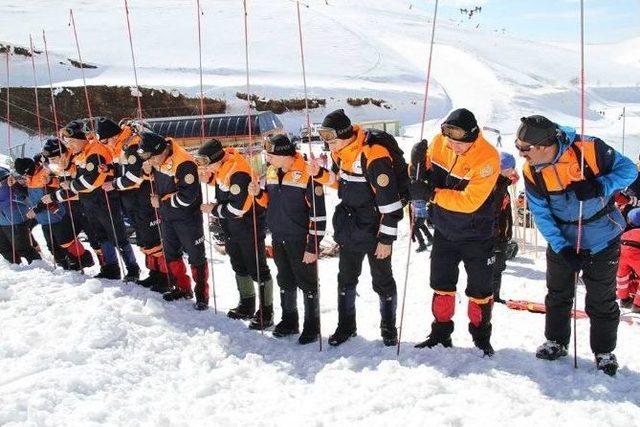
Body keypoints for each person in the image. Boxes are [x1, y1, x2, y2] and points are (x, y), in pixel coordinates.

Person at [517, 114, 637, 376]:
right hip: (564, 240)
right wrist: (562, 247)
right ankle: (556, 342)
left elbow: (630, 170)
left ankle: (604, 351)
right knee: (558, 294)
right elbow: (541, 213)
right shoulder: (531, 172)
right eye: (518, 147)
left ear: (545, 146)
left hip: (602, 238)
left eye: (525, 149)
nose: (521, 154)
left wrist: (599, 185)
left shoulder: (591, 149)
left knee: (602, 299)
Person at [310, 109, 404, 346]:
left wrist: (386, 240)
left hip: (375, 230)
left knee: (382, 280)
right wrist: (320, 174)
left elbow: (390, 202)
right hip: (350, 227)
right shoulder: (341, 152)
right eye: (326, 141)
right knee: (346, 278)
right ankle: (346, 326)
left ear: (346, 134)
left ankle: (389, 326)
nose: (329, 145)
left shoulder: (374, 154)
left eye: (332, 140)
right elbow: (341, 184)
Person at [410, 108, 500, 356]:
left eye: (460, 144)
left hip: (477, 235)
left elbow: (469, 201)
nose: (453, 147)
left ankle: (481, 339)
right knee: (441, 285)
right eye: (450, 141)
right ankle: (440, 335)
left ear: (473, 137)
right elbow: (425, 176)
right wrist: (418, 164)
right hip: (444, 231)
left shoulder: (488, 158)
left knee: (480, 291)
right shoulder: (441, 142)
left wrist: (431, 195)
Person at [41, 119, 140, 281]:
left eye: (72, 141)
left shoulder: (95, 152)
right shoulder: (80, 154)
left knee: (117, 236)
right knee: (102, 236)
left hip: (104, 200)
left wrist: (70, 186)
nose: (69, 146)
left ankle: (132, 269)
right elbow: (69, 173)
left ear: (81, 139)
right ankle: (111, 267)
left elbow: (90, 181)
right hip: (89, 202)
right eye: (67, 142)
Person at [252, 134, 326, 344]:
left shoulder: (308, 174)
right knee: (284, 280)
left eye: (270, 155)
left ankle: (312, 326)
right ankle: (289, 321)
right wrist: (258, 194)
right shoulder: (272, 171)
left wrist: (313, 246)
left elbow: (318, 215)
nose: (267, 159)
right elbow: (270, 202)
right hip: (279, 236)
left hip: (301, 240)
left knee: (307, 283)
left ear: (284, 154)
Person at [197, 138, 273, 328]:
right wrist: (209, 178)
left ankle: (266, 311)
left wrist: (213, 209)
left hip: (248, 226)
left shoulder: (238, 172)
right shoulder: (224, 168)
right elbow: (224, 184)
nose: (206, 167)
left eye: (207, 163)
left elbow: (237, 208)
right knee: (239, 265)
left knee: (257, 268)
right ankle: (246, 304)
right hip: (231, 228)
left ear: (216, 159)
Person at [138, 131, 209, 310]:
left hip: (187, 218)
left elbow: (188, 196)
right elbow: (151, 175)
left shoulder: (184, 162)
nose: (151, 162)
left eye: (152, 158)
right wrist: (146, 172)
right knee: (171, 254)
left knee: (196, 256)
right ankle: (182, 287)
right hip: (167, 217)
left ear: (161, 151)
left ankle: (202, 294)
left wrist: (160, 203)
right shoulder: (158, 159)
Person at [100, 119, 169, 293]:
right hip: (132, 202)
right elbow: (122, 170)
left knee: (154, 239)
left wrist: (114, 184)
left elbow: (135, 177)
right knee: (145, 240)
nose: (106, 144)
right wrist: (109, 169)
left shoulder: (133, 147)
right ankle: (154, 273)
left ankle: (165, 276)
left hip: (142, 200)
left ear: (114, 135)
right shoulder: (122, 148)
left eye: (106, 140)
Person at [12, 156, 94, 270]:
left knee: (66, 243)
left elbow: (50, 197)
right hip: (44, 219)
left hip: (56, 216)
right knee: (52, 246)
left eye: (24, 174)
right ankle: (65, 265)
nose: (24, 177)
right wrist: (15, 185)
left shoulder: (44, 174)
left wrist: (35, 210)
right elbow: (30, 196)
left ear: (28, 169)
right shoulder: (31, 179)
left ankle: (82, 260)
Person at [0, 166, 41, 264]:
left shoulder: (3, 174)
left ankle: (40, 267)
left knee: (22, 248)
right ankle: (17, 267)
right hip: (4, 219)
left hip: (13, 217)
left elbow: (20, 189)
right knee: (4, 248)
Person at [491, 152, 518, 303]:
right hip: (496, 235)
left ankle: (494, 295)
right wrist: (497, 235)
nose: (513, 171)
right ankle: (492, 296)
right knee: (496, 266)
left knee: (499, 266)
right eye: (511, 168)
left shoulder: (501, 183)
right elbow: (492, 212)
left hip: (502, 234)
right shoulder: (496, 186)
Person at [409, 139, 433, 253]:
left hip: (421, 210)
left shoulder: (416, 180)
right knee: (419, 225)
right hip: (419, 208)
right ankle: (430, 238)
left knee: (415, 227)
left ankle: (422, 244)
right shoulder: (418, 179)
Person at [616, 208, 640, 313]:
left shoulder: (625, 232)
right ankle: (638, 305)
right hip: (637, 255)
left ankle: (624, 299)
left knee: (622, 277)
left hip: (622, 253)